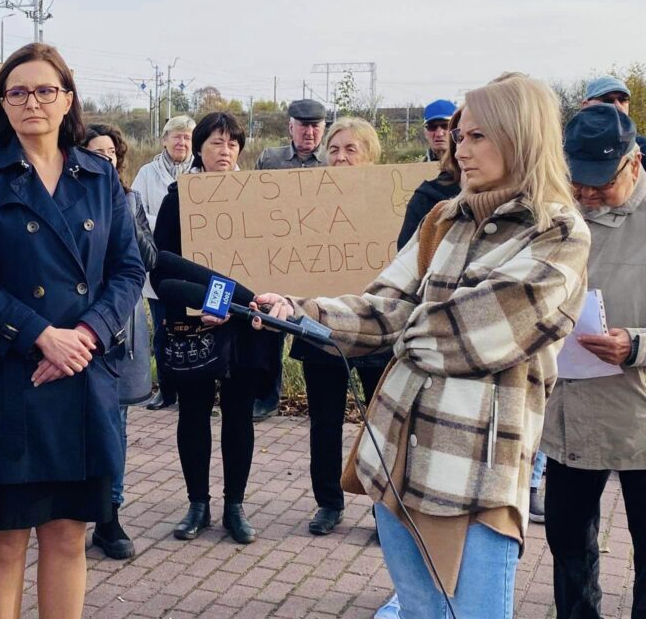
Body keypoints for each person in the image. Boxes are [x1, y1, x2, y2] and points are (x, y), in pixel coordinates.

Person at [253, 73, 590, 618]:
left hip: (473, 476)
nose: (462, 147)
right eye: (460, 135)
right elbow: (384, 304)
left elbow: (477, 335)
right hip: (394, 454)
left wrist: (405, 325)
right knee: (420, 611)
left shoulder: (557, 233)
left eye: (478, 136)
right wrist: (301, 312)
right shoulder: (443, 217)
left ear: (521, 136)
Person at [0, 43, 144, 618]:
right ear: (3, 104)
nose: (32, 101)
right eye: (18, 91)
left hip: (83, 375)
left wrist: (86, 335)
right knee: (6, 536)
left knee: (68, 532)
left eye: (44, 90)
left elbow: (129, 268)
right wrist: (40, 334)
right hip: (11, 375)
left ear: (68, 100)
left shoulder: (99, 174)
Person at [153, 111, 282, 546]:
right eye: (215, 143)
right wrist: (210, 303)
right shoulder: (177, 198)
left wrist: (248, 303)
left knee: (238, 415)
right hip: (197, 328)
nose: (224, 151)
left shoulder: (261, 197)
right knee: (192, 413)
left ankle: (235, 506)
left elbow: (276, 260)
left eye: (231, 144)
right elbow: (161, 269)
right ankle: (197, 504)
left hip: (247, 328)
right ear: (198, 149)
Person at [541, 105, 646, 618]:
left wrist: (637, 345)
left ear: (633, 163)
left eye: (598, 184)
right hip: (569, 417)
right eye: (576, 182)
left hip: (641, 418)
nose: (585, 195)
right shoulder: (556, 213)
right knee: (566, 542)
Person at [285, 116, 390, 537]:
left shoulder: (389, 201)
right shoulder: (307, 198)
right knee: (324, 422)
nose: (341, 157)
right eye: (334, 149)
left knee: (381, 425)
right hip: (322, 332)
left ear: (370, 155)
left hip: (376, 331)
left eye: (351, 149)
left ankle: (385, 508)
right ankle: (328, 501)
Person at [83, 123, 157, 560]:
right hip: (79, 330)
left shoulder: (130, 200)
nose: (105, 159)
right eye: (96, 152)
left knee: (117, 426)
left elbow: (147, 259)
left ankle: (109, 518)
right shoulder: (66, 200)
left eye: (111, 153)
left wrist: (124, 214)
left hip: (123, 331)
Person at [251, 99, 327, 421]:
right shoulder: (271, 159)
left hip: (320, 260)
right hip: (278, 258)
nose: (309, 132)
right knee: (271, 329)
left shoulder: (332, 162)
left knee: (319, 329)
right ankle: (268, 398)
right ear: (290, 126)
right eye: (303, 125)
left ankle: (320, 399)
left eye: (316, 126)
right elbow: (250, 202)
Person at [131, 114, 195, 411]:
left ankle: (194, 391)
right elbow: (136, 214)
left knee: (196, 330)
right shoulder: (146, 172)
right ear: (165, 140)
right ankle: (167, 391)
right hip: (160, 262)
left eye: (187, 137)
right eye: (177, 136)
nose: (182, 142)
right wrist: (171, 221)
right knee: (163, 331)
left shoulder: (202, 171)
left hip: (196, 264)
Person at [397, 109, 463, 249]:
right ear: (425, 132)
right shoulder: (423, 193)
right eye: (432, 127)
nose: (439, 133)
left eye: (445, 126)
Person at [581, 75, 646, 163]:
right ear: (586, 105)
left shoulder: (643, 148)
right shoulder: (570, 150)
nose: (618, 106)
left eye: (623, 99)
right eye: (608, 100)